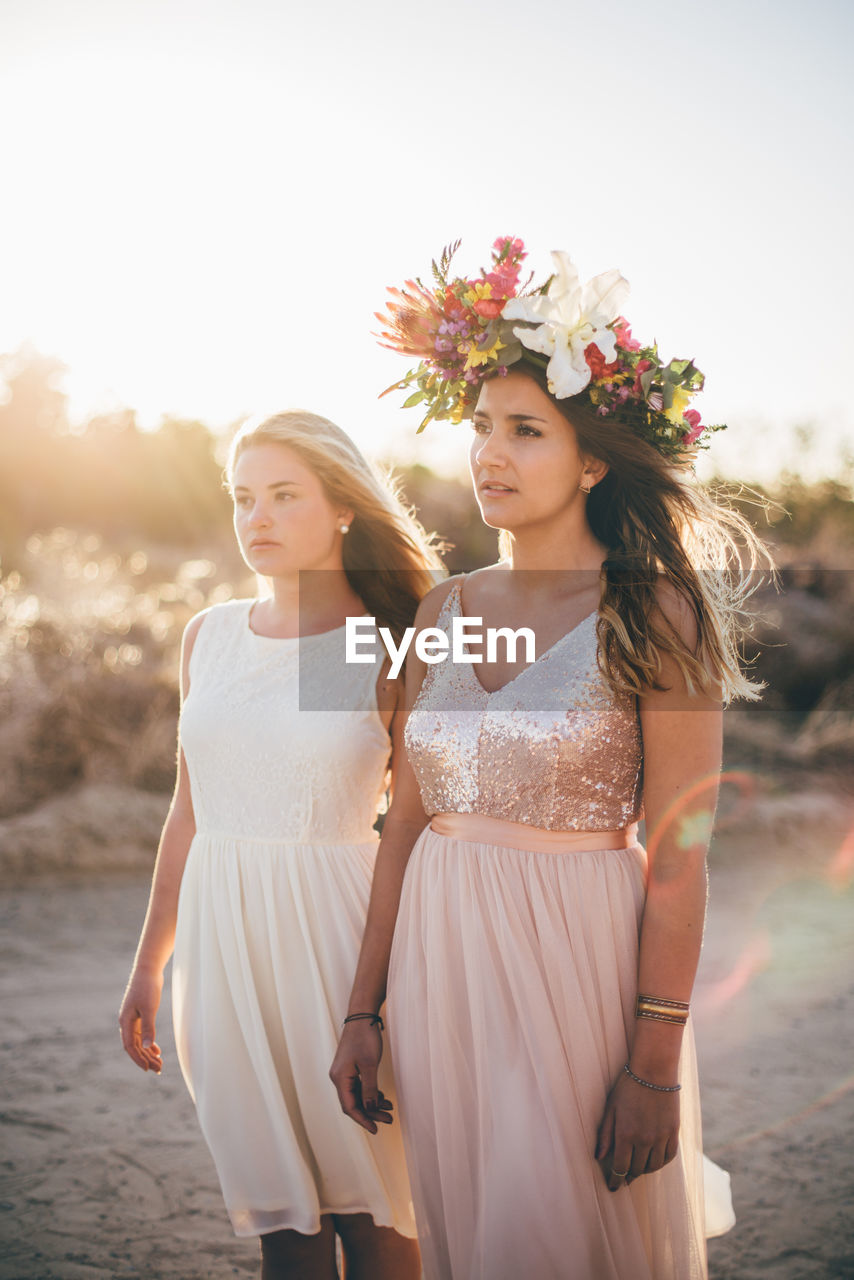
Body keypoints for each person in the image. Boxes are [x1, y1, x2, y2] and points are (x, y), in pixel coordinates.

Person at [331, 238, 765, 1279]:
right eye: (479, 427)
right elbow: (403, 819)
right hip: (442, 961)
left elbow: (679, 853)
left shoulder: (652, 610)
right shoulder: (443, 609)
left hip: (577, 955)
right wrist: (362, 1005)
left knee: (555, 1230)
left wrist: (653, 1062)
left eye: (525, 430)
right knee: (471, 1228)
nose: (488, 452)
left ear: (591, 458)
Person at [119, 410, 443, 1280]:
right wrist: (152, 960)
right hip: (223, 952)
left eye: (283, 496)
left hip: (342, 945)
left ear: (342, 508)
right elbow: (189, 808)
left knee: (380, 1221)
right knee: (284, 1232)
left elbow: (412, 830)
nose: (255, 518)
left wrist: (368, 1006)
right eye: (242, 498)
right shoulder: (208, 636)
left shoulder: (395, 644)